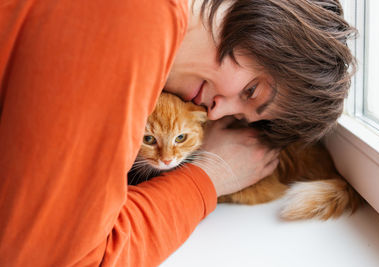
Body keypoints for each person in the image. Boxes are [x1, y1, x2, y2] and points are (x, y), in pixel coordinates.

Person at [0, 0, 355, 266]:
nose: (216, 111)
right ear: (259, 24)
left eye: (243, 117)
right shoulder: (138, 18)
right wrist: (205, 180)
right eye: (251, 91)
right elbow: (60, 259)